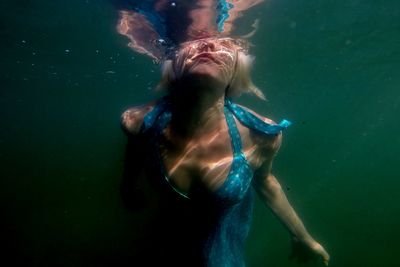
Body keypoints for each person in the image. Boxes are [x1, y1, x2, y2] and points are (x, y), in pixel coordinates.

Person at [120, 36, 330, 266]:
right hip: (168, 236)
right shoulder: (139, 122)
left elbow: (265, 182)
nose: (208, 46)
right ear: (175, 68)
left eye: (225, 46)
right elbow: (136, 154)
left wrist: (303, 237)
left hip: (224, 240)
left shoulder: (261, 135)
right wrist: (127, 187)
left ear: (235, 75)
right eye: (193, 44)